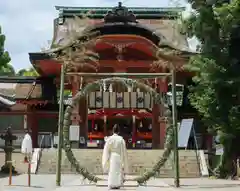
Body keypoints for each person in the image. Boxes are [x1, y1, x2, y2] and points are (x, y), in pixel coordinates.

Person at [102, 124, 128, 189]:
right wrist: (124, 160)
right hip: (119, 156)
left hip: (112, 157)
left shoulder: (110, 139)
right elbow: (124, 150)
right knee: (118, 171)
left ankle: (111, 184)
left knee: (112, 170)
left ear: (113, 131)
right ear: (119, 131)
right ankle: (118, 184)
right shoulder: (121, 139)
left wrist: (106, 159)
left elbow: (106, 150)